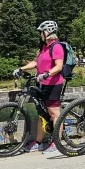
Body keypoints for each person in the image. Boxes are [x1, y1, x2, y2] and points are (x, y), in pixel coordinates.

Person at [14, 21, 64, 154]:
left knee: (54, 114)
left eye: (41, 32)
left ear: (47, 32)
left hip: (53, 84)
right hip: (42, 84)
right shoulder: (45, 47)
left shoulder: (56, 46)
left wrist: (46, 74)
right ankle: (39, 143)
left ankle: (57, 144)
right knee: (42, 114)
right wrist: (21, 68)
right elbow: (36, 63)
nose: (40, 35)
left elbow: (59, 66)